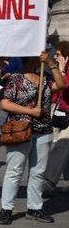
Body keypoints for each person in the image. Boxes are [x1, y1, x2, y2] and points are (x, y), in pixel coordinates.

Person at [0, 51, 65, 225]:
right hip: (21, 129)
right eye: (37, 56)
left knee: (38, 171)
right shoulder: (16, 79)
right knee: (15, 170)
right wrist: (29, 111)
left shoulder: (45, 79)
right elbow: (4, 103)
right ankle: (6, 208)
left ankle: (35, 207)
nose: (39, 58)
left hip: (43, 130)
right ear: (30, 59)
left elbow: (62, 84)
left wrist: (51, 63)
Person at [41, 41, 69, 198]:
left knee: (62, 144)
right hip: (60, 111)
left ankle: (49, 181)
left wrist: (62, 71)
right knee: (62, 146)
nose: (56, 57)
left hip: (67, 112)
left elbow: (64, 85)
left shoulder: (65, 69)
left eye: (58, 54)